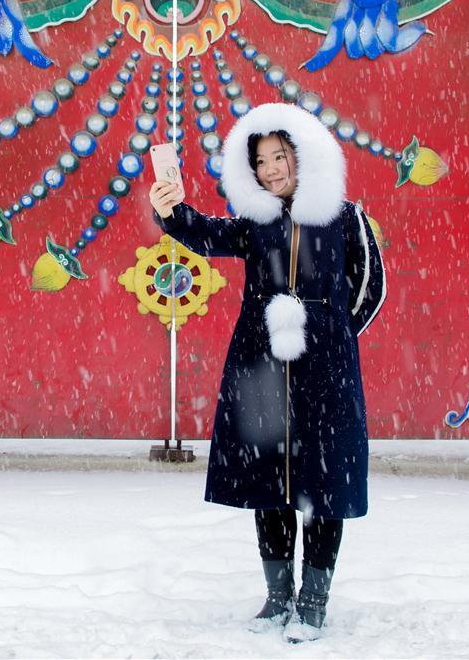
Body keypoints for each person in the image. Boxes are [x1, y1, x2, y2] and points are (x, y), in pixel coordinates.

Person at [149, 102, 386, 641]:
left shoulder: (346, 218)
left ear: (303, 156)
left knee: (325, 486)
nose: (272, 169)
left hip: (327, 376)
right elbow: (203, 234)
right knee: (270, 483)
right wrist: (171, 211)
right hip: (260, 371)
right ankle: (278, 598)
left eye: (280, 156)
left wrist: (330, 337)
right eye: (261, 161)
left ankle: (314, 601)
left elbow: (371, 288)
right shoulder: (255, 223)